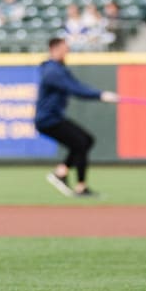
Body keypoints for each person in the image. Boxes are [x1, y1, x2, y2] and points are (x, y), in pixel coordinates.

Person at [34, 37, 118, 197]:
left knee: (84, 142)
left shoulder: (59, 68)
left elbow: (78, 86)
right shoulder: (53, 71)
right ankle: (68, 178)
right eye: (65, 47)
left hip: (53, 118)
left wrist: (101, 95)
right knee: (82, 142)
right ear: (54, 49)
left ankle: (69, 177)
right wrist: (100, 95)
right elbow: (75, 89)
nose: (68, 50)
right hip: (48, 120)